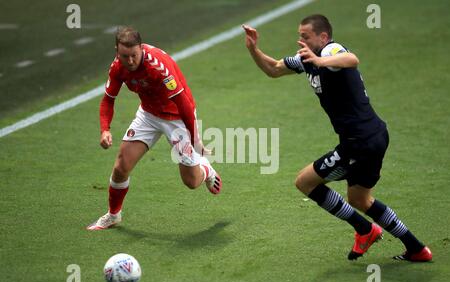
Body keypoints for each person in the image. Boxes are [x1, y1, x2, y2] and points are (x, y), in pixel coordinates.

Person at [242, 15, 432, 261]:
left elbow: (352, 59)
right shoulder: (306, 59)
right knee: (360, 199)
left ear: (322, 37)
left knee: (305, 182)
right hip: (375, 135)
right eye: (300, 35)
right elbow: (274, 69)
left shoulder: (331, 51)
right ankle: (417, 248)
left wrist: (321, 60)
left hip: (359, 143)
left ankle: (365, 229)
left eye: (306, 36)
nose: (301, 40)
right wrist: (254, 49)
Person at [87, 26, 222, 231]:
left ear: (141, 48)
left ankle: (206, 168)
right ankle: (113, 215)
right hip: (149, 115)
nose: (130, 61)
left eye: (134, 55)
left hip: (177, 116)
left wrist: (196, 140)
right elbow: (108, 100)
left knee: (191, 181)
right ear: (117, 51)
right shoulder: (117, 67)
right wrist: (104, 129)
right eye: (125, 56)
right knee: (121, 166)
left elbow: (183, 104)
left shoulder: (157, 66)